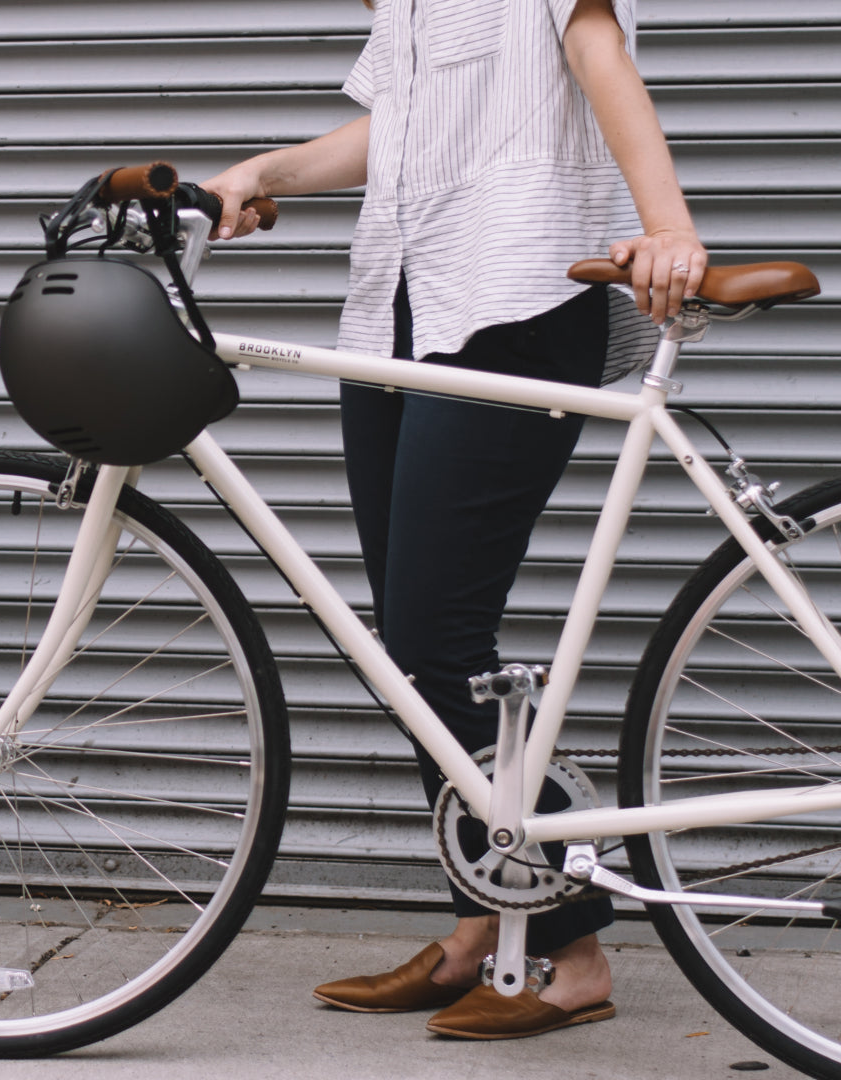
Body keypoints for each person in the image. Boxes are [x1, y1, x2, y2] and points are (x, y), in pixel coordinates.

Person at [203, 0, 706, 1040]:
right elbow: (402, 126)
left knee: (433, 631)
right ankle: (491, 914)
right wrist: (266, 172)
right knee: (416, 652)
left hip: (515, 297)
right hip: (399, 296)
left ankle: (571, 951)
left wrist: (670, 229)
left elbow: (597, 49)